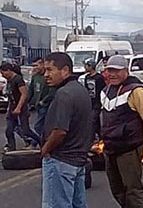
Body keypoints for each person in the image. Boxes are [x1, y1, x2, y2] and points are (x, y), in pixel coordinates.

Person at [101, 55, 143, 208]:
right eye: (109, 70)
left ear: (126, 71)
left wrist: (142, 140)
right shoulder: (106, 91)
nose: (112, 74)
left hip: (129, 148)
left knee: (132, 189)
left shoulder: (136, 91)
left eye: (116, 71)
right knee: (117, 189)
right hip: (111, 147)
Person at [40, 52, 92, 208]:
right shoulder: (80, 90)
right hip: (78, 160)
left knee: (57, 204)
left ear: (65, 70)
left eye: (50, 70)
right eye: (45, 71)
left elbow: (60, 131)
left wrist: (45, 149)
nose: (46, 75)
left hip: (61, 159)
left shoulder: (64, 94)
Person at [0, 62, 40, 151]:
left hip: (21, 108)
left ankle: (41, 142)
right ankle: (11, 147)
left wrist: (19, 107)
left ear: (9, 70)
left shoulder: (18, 79)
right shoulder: (9, 80)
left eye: (3, 73)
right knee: (9, 130)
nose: (2, 76)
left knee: (25, 130)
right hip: (12, 108)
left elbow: (24, 94)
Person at [80, 58, 106, 142]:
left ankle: (90, 139)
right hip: (89, 102)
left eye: (86, 65)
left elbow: (102, 90)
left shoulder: (99, 78)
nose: (85, 67)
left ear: (91, 66)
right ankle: (100, 136)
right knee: (95, 122)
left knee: (93, 120)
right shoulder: (87, 77)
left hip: (97, 103)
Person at [29, 57, 53, 137]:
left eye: (36, 65)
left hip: (46, 105)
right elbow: (31, 90)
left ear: (42, 64)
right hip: (38, 105)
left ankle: (35, 143)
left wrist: (44, 101)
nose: (35, 68)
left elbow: (52, 91)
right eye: (33, 66)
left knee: (38, 126)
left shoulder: (47, 76)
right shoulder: (35, 77)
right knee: (42, 126)